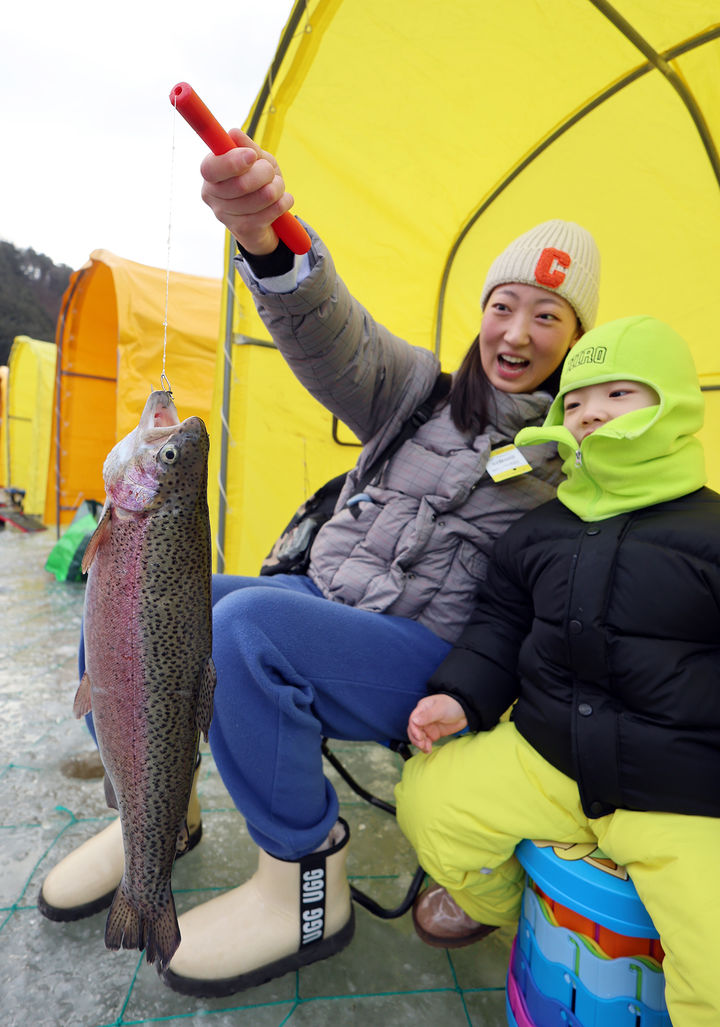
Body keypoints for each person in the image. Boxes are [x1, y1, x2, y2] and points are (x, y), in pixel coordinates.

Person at [38, 128, 600, 997]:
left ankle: (305, 878)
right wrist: (269, 238)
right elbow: (336, 336)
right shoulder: (422, 395)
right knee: (144, 599)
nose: (517, 332)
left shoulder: (578, 459)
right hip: (319, 597)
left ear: (576, 341)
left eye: (548, 316)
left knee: (242, 628)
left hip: (424, 662)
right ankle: (157, 808)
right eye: (504, 304)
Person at [395, 315, 719, 1026]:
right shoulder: (537, 530)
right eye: (574, 402)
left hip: (681, 785)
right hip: (549, 753)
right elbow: (499, 628)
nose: (592, 412)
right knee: (430, 801)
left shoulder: (710, 532)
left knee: (716, 957)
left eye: (620, 393)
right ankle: (524, 912)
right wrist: (459, 697)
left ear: (674, 405)